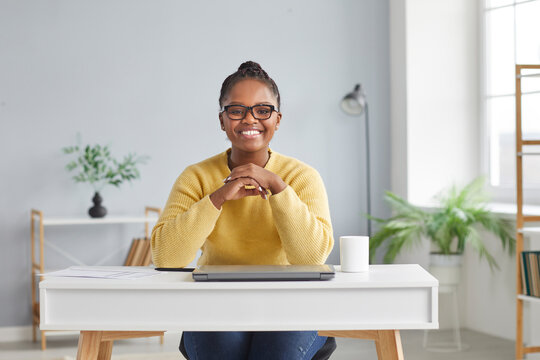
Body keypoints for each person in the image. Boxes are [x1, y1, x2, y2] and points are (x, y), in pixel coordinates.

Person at [151, 61, 335, 360]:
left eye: (262, 110)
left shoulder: (303, 177)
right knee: (222, 346)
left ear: (277, 120)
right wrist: (218, 197)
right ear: (222, 120)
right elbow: (167, 258)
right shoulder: (195, 176)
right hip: (217, 303)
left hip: (292, 304)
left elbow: (312, 258)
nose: (250, 119)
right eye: (236, 110)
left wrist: (277, 186)